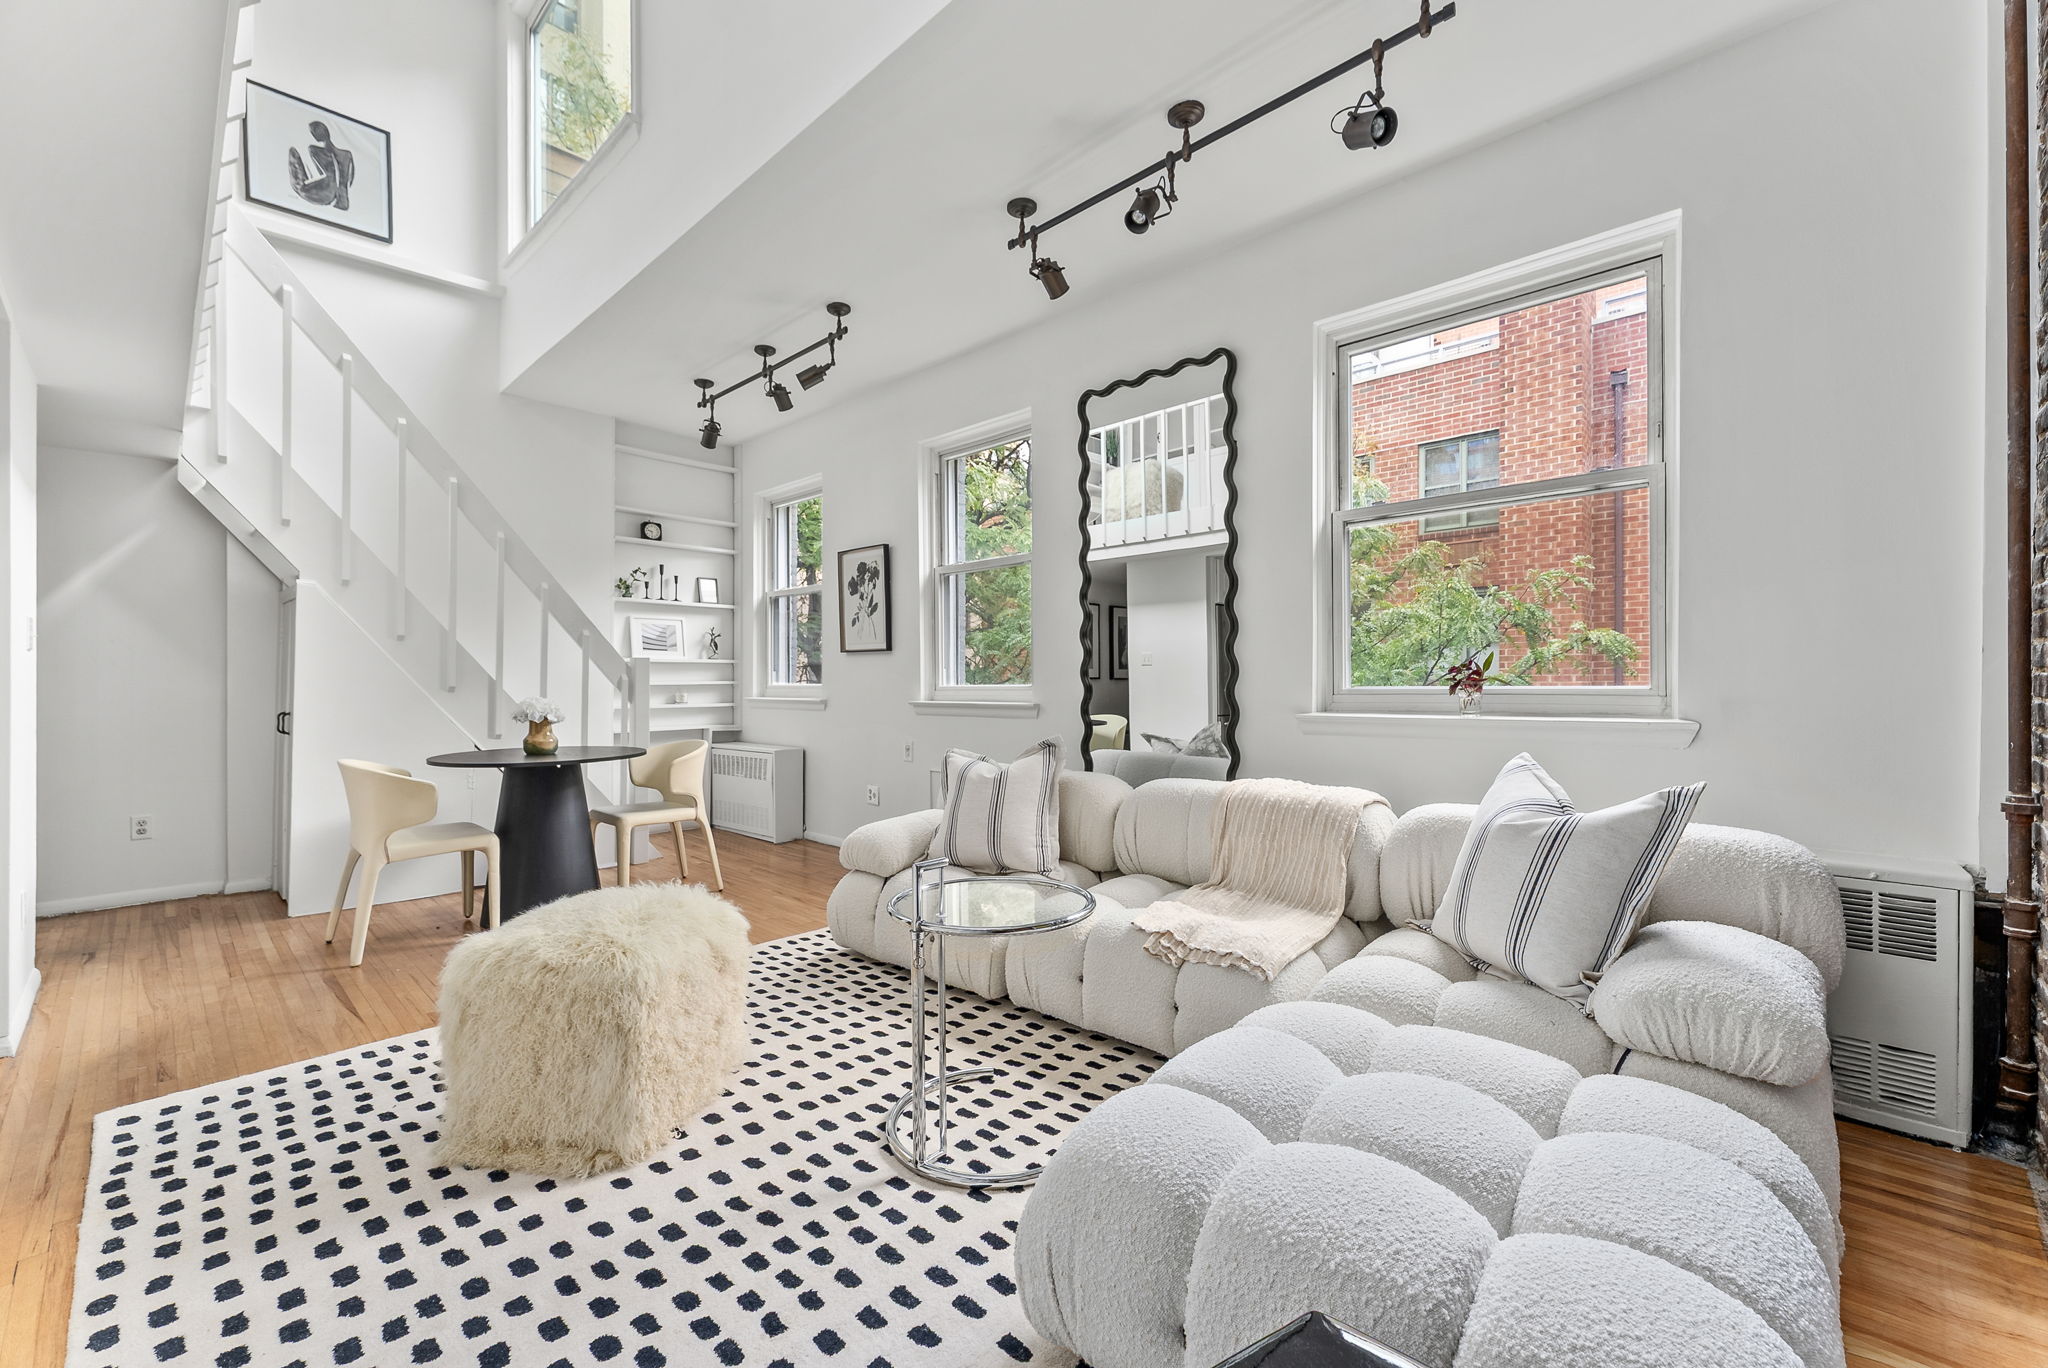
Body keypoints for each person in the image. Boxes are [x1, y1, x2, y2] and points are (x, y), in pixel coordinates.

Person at [287, 119, 354, 211]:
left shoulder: (314, 150)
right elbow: (350, 180)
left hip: (328, 194)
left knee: (300, 188)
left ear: (315, 136)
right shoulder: (347, 154)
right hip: (343, 200)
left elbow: (322, 172)